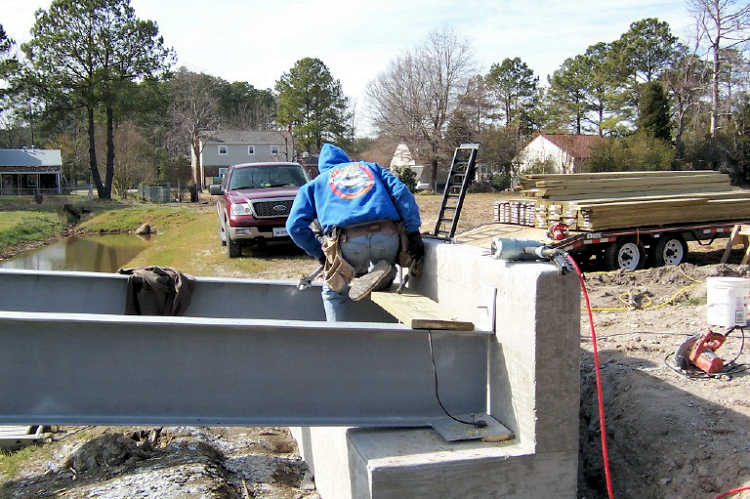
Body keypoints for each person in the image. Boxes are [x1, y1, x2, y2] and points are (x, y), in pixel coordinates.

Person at [286, 143, 424, 321]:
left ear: (322, 168)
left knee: (333, 291)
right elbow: (402, 193)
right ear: (346, 161)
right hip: (387, 236)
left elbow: (294, 226)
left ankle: (339, 339)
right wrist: (413, 232)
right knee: (386, 288)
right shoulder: (371, 168)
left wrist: (319, 253)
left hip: (349, 242)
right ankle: (385, 278)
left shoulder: (316, 184)